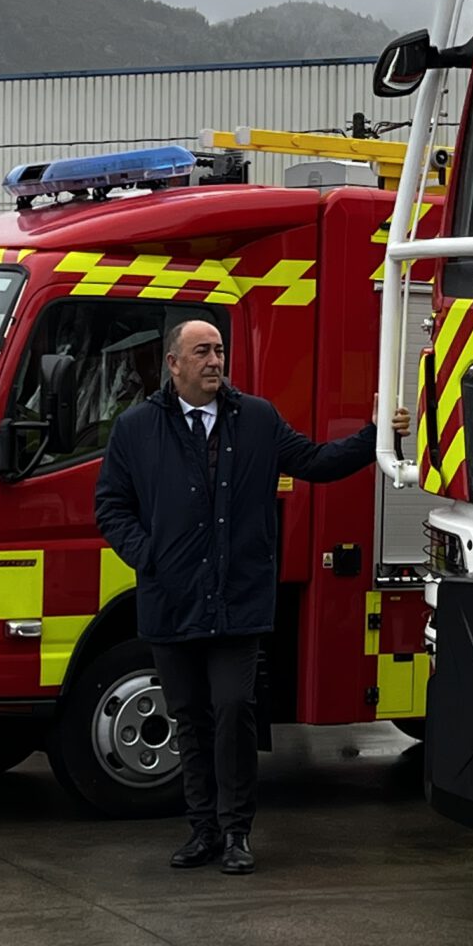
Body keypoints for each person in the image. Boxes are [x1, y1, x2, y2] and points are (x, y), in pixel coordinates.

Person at [92, 316, 406, 875]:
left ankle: (237, 832)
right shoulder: (137, 428)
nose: (215, 361)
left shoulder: (257, 418)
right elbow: (110, 505)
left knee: (235, 709)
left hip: (239, 601)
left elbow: (315, 462)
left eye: (219, 350)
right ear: (173, 364)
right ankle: (202, 830)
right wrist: (148, 555)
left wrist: (377, 436)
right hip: (172, 601)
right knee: (190, 719)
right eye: (202, 352)